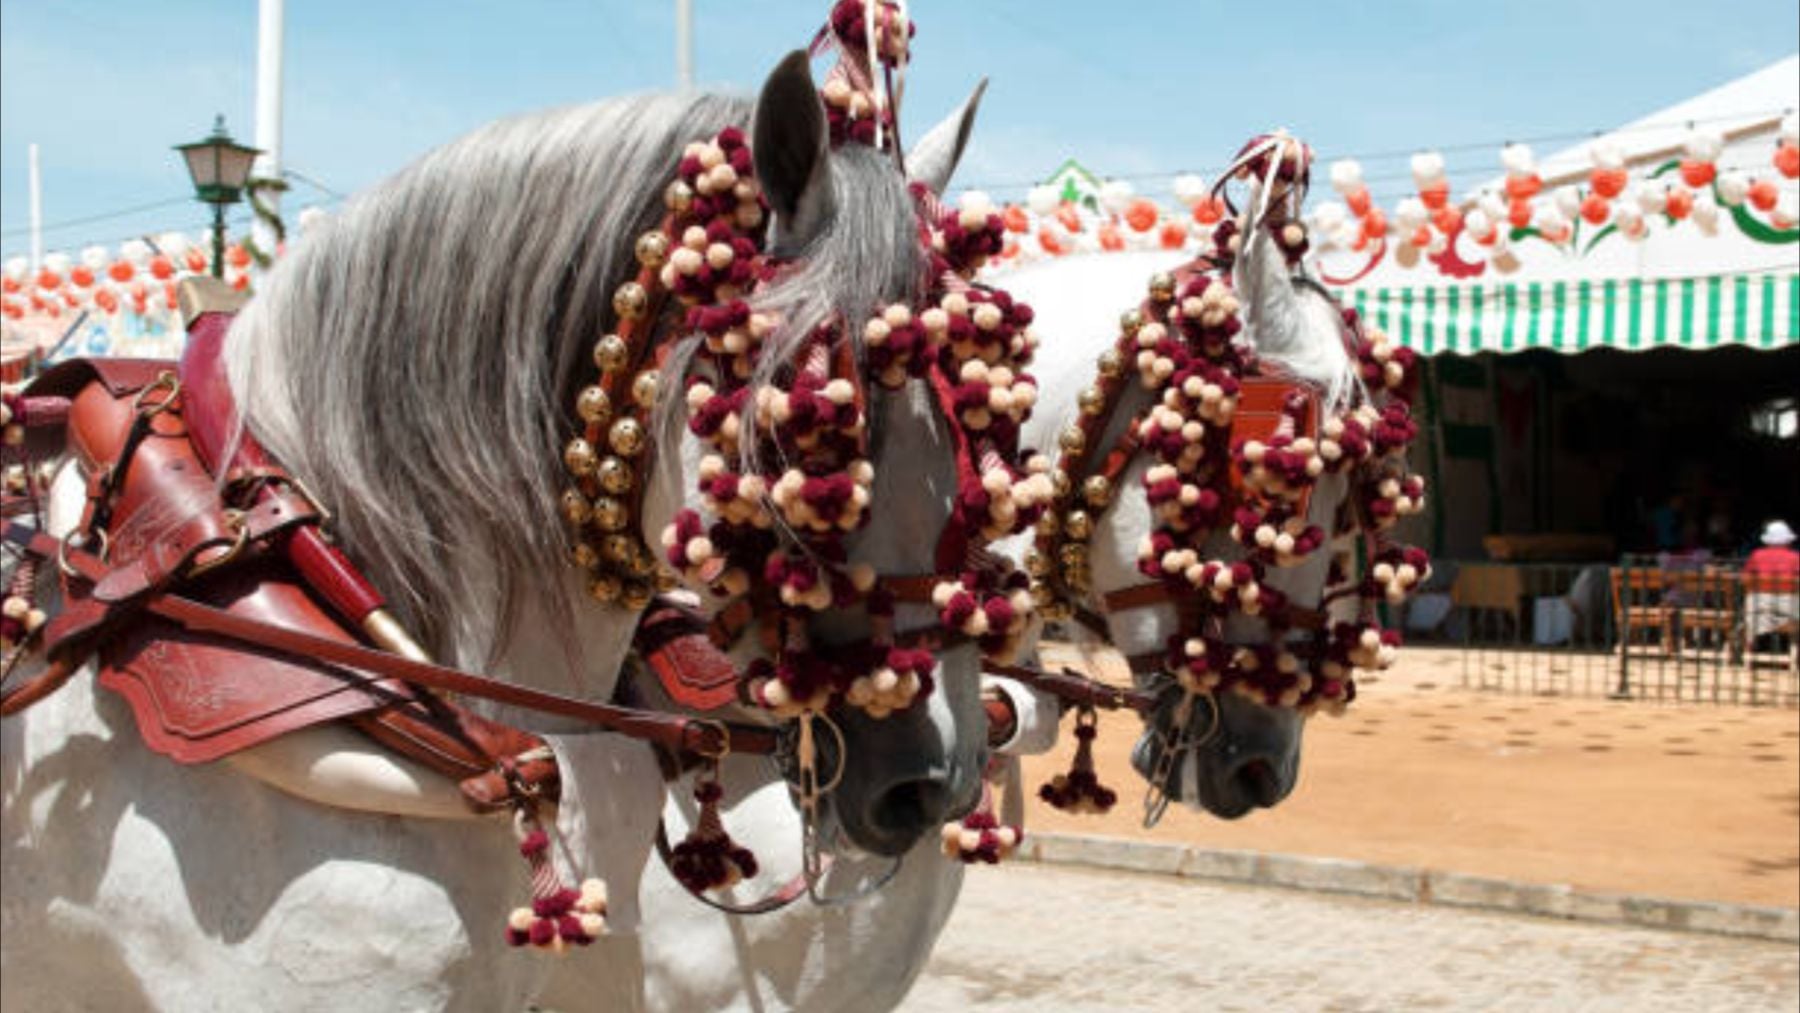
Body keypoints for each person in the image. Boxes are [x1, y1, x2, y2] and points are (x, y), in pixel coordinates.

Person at [1743, 520, 1798, 652]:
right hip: (1789, 609)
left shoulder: (1757, 555)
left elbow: (1746, 579)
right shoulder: (1795, 557)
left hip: (1758, 607)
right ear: (1787, 540)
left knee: (1749, 603)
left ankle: (1750, 646)